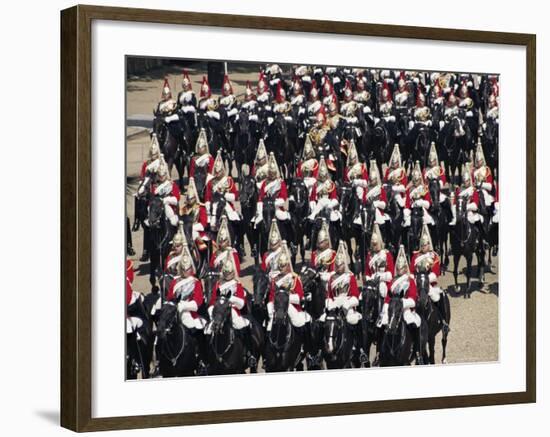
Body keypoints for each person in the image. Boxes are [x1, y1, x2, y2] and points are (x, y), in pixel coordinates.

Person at [206, 258, 256, 368]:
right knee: (208, 330)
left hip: (233, 310)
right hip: (218, 310)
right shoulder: (218, 284)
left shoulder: (237, 284)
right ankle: (205, 359)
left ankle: (250, 353)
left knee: (243, 325)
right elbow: (212, 301)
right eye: (226, 273)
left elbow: (241, 303)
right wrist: (212, 311)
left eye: (229, 272)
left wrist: (231, 300)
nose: (227, 275)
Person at [377, 245, 423, 363]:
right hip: (392, 307)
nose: (399, 270)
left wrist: (402, 302)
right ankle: (378, 353)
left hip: (405, 308)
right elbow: (388, 296)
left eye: (401, 268)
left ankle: (417, 352)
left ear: (405, 267)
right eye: (398, 267)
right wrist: (386, 307)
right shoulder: (392, 280)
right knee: (381, 324)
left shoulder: (410, 280)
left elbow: (413, 298)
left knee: (414, 324)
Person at [319, 241, 362, 343]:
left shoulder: (350, 277)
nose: (339, 267)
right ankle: (320, 349)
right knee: (323, 321)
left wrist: (348, 304)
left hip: (347, 304)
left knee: (353, 321)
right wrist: (329, 304)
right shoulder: (332, 277)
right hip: (334, 305)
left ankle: (359, 349)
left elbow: (355, 295)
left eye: (341, 265)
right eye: (337, 265)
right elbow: (329, 294)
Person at [411, 225, 450, 331]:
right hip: (417, 283)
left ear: (429, 244)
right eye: (422, 245)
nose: (424, 246)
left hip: (429, 284)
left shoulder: (434, 256)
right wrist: (416, 280)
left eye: (426, 244)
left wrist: (425, 279)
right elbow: (411, 271)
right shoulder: (415, 256)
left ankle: (443, 321)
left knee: (437, 298)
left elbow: (436, 273)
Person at [266, 245, 311, 334]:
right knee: (269, 324)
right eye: (280, 266)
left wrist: (286, 298)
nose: (281, 268)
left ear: (288, 265)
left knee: (298, 322)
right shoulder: (275, 279)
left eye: (283, 266)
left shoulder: (295, 278)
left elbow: (300, 296)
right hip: (278, 306)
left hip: (292, 306)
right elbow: (271, 295)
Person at [204, 150, 240, 229]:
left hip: (226, 204)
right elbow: (207, 197)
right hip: (214, 205)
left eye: (219, 171)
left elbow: (235, 195)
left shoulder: (229, 180)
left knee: (236, 222)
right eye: (216, 172)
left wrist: (225, 195)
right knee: (209, 224)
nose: (218, 174)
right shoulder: (210, 182)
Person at [255, 152, 290, 227]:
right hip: (265, 207)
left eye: (273, 173)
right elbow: (261, 197)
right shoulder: (264, 183)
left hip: (276, 207)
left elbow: (284, 197)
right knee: (256, 222)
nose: (272, 175)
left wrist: (274, 203)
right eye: (270, 173)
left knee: (286, 219)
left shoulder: (281, 182)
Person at [364, 223, 394, 301]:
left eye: (376, 244)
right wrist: (369, 279)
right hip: (372, 282)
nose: (374, 246)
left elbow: (391, 273)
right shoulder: (369, 255)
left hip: (385, 282)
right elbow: (367, 272)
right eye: (373, 244)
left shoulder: (386, 254)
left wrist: (380, 276)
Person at [308, 155, 340, 224]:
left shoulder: (331, 184)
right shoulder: (315, 184)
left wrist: (330, 205)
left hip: (328, 205)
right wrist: (312, 204)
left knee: (335, 221)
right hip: (317, 205)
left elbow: (334, 197)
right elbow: (312, 198)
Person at [180, 177, 208, 251]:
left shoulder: (201, 208)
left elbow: (203, 224)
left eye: (191, 199)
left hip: (197, 231)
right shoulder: (183, 208)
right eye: (188, 199)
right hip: (184, 230)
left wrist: (191, 227)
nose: (189, 201)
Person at [403, 161, 434, 227]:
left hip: (422, 209)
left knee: (430, 222)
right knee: (406, 224)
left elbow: (428, 203)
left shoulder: (424, 188)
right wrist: (406, 211)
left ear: (420, 179)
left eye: (417, 180)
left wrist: (421, 203)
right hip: (412, 209)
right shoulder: (410, 189)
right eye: (414, 180)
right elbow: (407, 203)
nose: (416, 182)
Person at [450, 163, 481, 227]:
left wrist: (466, 207)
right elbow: (455, 203)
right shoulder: (459, 190)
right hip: (459, 212)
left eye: (466, 181)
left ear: (469, 181)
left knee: (477, 221)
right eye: (464, 181)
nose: (465, 183)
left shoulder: (473, 190)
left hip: (470, 212)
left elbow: (475, 205)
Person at [153, 159, 181, 227]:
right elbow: (152, 197)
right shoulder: (154, 186)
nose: (162, 177)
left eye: (163, 175)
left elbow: (177, 198)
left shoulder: (172, 184)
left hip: (170, 206)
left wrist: (166, 200)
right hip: (157, 207)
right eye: (160, 176)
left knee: (173, 222)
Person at [384, 144, 408, 209]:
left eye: (395, 163)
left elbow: (404, 187)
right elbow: (385, 181)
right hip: (388, 190)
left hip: (397, 191)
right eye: (393, 162)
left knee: (400, 202)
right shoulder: (388, 170)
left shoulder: (401, 171)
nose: (394, 164)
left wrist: (395, 188)